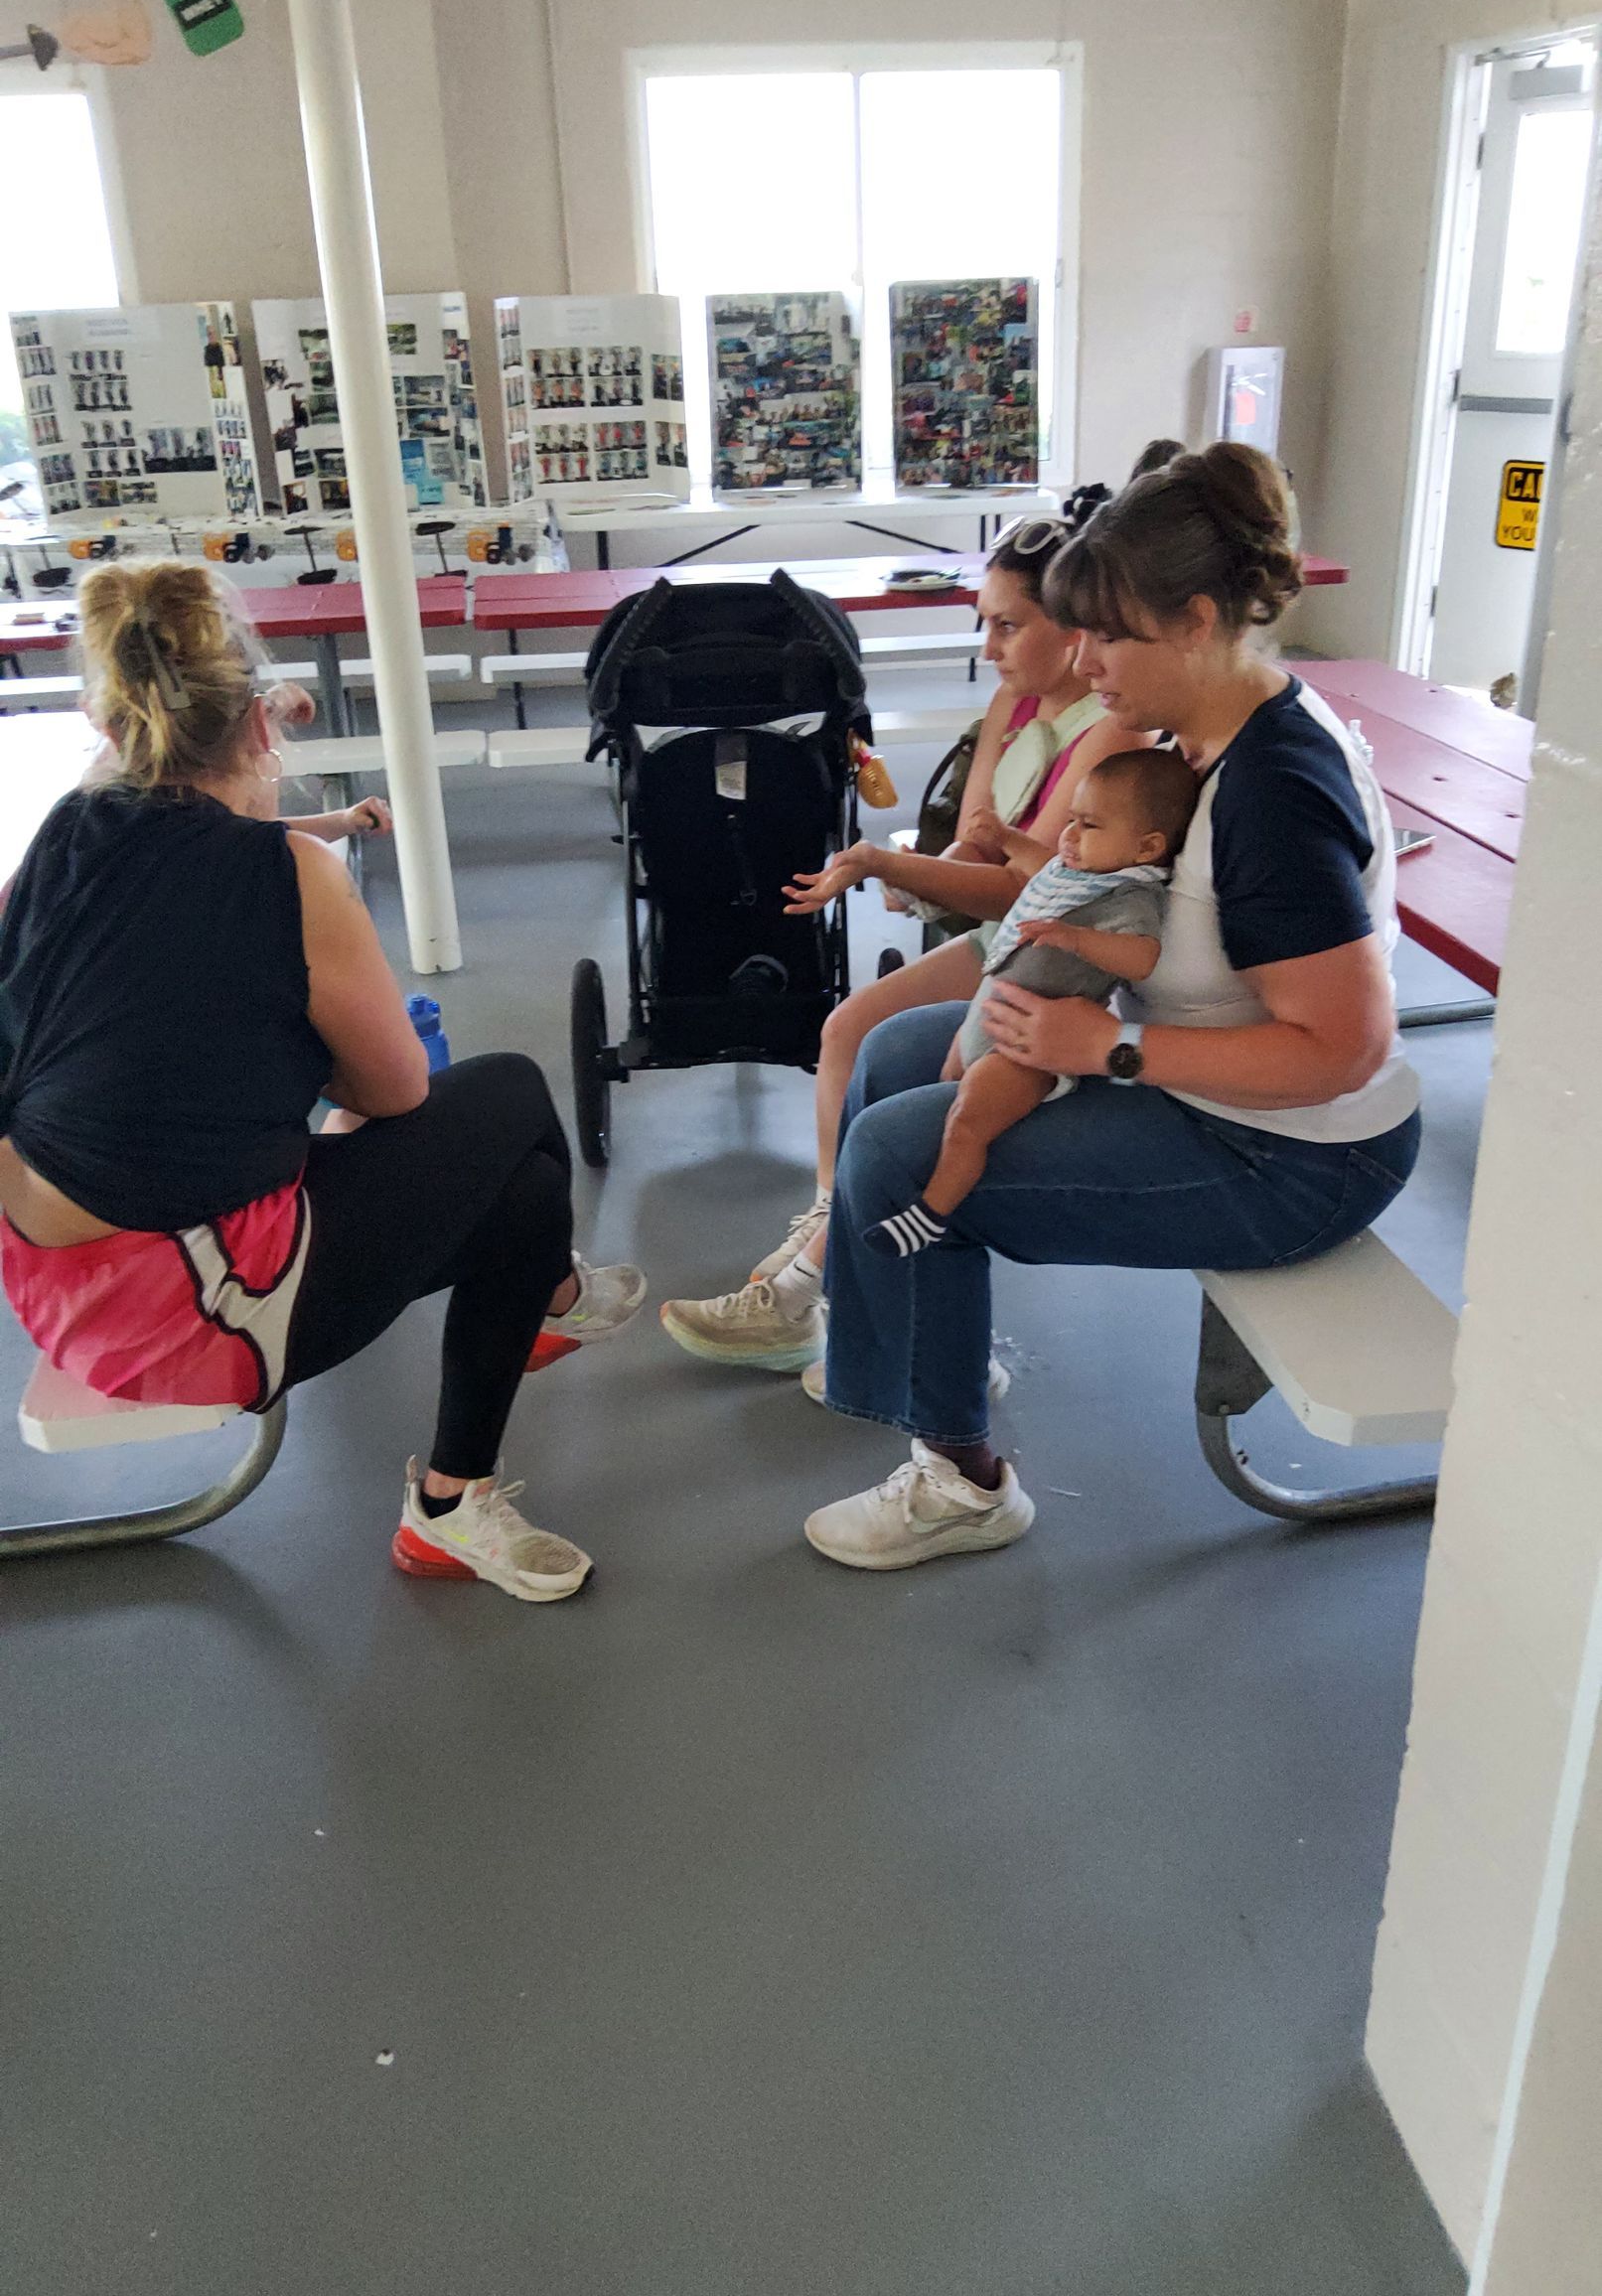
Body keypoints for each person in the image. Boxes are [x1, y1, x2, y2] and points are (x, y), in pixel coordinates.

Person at [799, 442, 1422, 1570]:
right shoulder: (1207, 733)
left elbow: (1342, 1050)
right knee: (895, 1056)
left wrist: (1113, 1048)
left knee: (896, 1153)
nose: (1079, 661)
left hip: (1290, 1157)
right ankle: (930, 1332)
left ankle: (962, 1485)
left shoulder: (1273, 793)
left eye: (1107, 634)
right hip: (1207, 1080)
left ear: (1193, 620)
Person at [0, 562, 643, 1606]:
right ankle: (550, 1299)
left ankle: (454, 1491)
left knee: (520, 1200)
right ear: (261, 729)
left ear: (107, 725)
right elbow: (393, 1095)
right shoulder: (291, 876)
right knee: (515, 1094)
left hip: (50, 1276)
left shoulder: (60, 842)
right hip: (187, 1311)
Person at [657, 513, 1148, 1371]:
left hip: (1060, 957)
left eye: (1007, 624)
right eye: (982, 623)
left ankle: (814, 1282)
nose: (988, 646)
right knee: (849, 1029)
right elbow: (977, 845)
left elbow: (1032, 886)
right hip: (1008, 935)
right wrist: (918, 871)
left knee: (914, 1108)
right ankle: (826, 1227)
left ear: (1074, 629)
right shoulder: (1013, 702)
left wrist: (888, 862)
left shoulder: (1111, 734)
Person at [868, 748, 1198, 1257]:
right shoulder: (1084, 872)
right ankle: (932, 1183)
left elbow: (1142, 957)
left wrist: (1075, 940)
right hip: (991, 1014)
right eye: (1071, 819)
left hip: (1026, 1049)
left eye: (1088, 824)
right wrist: (1006, 839)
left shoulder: (1130, 897)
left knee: (968, 1120)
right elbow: (1045, 870)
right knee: (946, 1088)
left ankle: (930, 1215)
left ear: (1145, 847)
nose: (1070, 834)